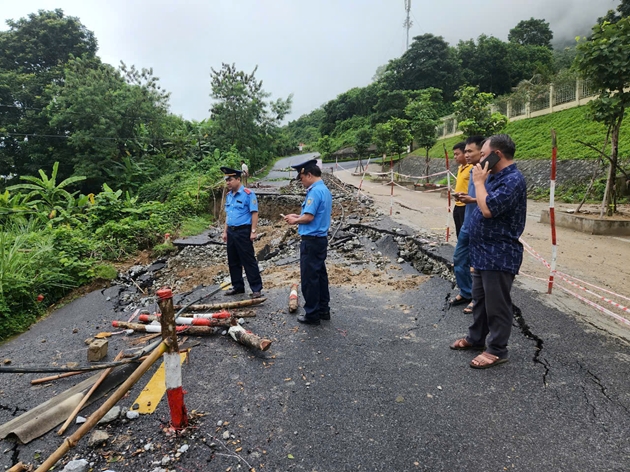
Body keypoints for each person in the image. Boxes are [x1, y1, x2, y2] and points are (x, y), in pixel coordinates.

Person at [450, 134, 527, 369]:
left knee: (497, 303)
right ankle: (476, 339)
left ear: (497, 155)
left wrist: (480, 183)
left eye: (483, 154)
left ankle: (497, 349)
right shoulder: (495, 176)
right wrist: (474, 198)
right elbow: (486, 201)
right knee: (481, 299)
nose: (479, 160)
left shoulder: (513, 180)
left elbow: (489, 210)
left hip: (499, 251)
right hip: (482, 250)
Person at [283, 159, 333, 326]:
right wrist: (297, 216)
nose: (301, 181)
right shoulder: (324, 189)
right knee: (320, 276)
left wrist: (295, 221)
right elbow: (313, 215)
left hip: (311, 241)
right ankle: (323, 309)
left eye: (301, 177)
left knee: (310, 278)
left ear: (309, 174)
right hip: (320, 239)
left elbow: (309, 217)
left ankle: (312, 314)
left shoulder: (314, 192)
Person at [449, 136, 485, 313]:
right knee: (459, 258)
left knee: (478, 265)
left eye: (470, 151)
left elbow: (491, 201)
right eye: (466, 151)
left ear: (483, 151)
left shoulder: (486, 172)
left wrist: (472, 199)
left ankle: (477, 299)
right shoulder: (471, 171)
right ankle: (466, 291)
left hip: (480, 225)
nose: (466, 154)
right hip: (467, 224)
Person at [221, 166, 263, 299]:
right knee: (233, 261)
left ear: (238, 179)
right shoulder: (229, 196)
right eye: (226, 180)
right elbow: (228, 215)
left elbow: (254, 213)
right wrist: (225, 232)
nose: (228, 182)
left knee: (248, 260)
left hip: (243, 231)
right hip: (232, 232)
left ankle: (256, 288)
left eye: (230, 179)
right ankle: (237, 286)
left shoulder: (248, 194)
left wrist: (253, 231)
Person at [452, 142, 471, 238]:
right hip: (458, 205)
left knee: (466, 234)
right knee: (459, 233)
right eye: (454, 154)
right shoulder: (460, 168)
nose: (455, 157)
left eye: (457, 154)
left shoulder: (472, 168)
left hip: (466, 206)